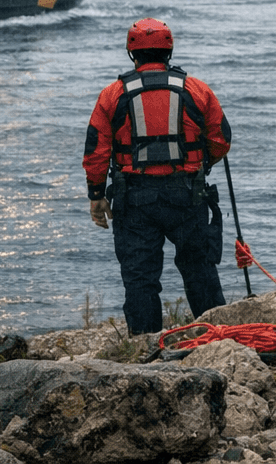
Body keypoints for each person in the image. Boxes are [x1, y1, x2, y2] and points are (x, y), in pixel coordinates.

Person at [83, 18, 231, 334]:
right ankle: (216, 340)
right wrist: (199, 167)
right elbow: (220, 140)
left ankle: (146, 349)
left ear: (130, 53)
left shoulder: (112, 94)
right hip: (187, 196)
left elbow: (97, 151)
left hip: (134, 201)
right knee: (199, 270)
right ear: (169, 51)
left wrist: (96, 196)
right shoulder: (196, 89)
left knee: (140, 279)